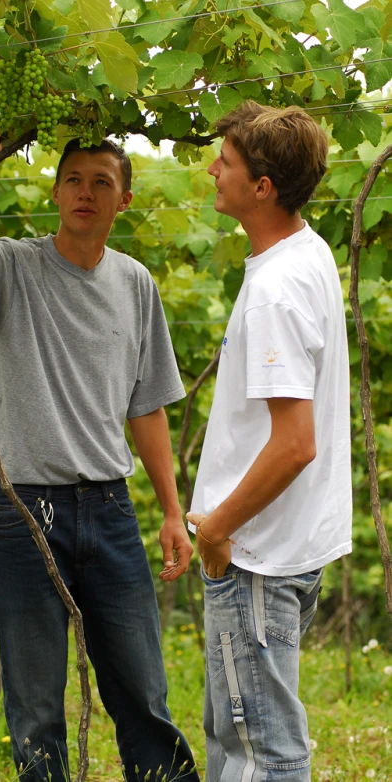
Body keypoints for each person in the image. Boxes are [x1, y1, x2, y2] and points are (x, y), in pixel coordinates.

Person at [0, 123, 200, 782]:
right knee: (34, 709)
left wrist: (172, 512)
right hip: (21, 512)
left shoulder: (136, 284)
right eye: (74, 181)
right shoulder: (15, 266)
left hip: (110, 513)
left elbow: (145, 408)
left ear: (124, 201)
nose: (86, 193)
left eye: (102, 183)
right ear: (55, 193)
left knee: (143, 697)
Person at [187, 102, 352, 782]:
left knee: (262, 751)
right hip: (286, 545)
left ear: (261, 187)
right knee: (237, 732)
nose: (210, 170)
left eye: (224, 163)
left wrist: (217, 530)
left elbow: (293, 444)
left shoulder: (276, 289)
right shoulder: (304, 254)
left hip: (256, 553)